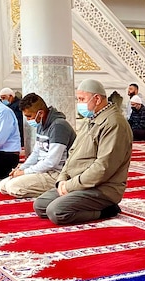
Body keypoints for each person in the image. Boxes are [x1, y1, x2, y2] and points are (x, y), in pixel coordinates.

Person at [34, 79, 132, 225]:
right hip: (78, 182)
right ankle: (76, 198)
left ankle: (107, 209)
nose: (79, 103)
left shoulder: (114, 124)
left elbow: (103, 167)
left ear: (97, 99)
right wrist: (62, 180)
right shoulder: (90, 119)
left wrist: (70, 186)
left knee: (56, 212)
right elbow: (72, 153)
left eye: (82, 99)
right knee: (40, 205)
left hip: (102, 188)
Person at [0, 93, 76, 198]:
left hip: (57, 174)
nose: (28, 120)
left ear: (40, 113)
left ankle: (59, 188)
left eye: (29, 116)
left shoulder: (59, 126)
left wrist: (25, 172)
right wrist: (21, 169)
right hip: (42, 170)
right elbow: (36, 153)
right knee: (2, 185)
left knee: (12, 187)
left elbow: (51, 162)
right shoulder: (41, 124)